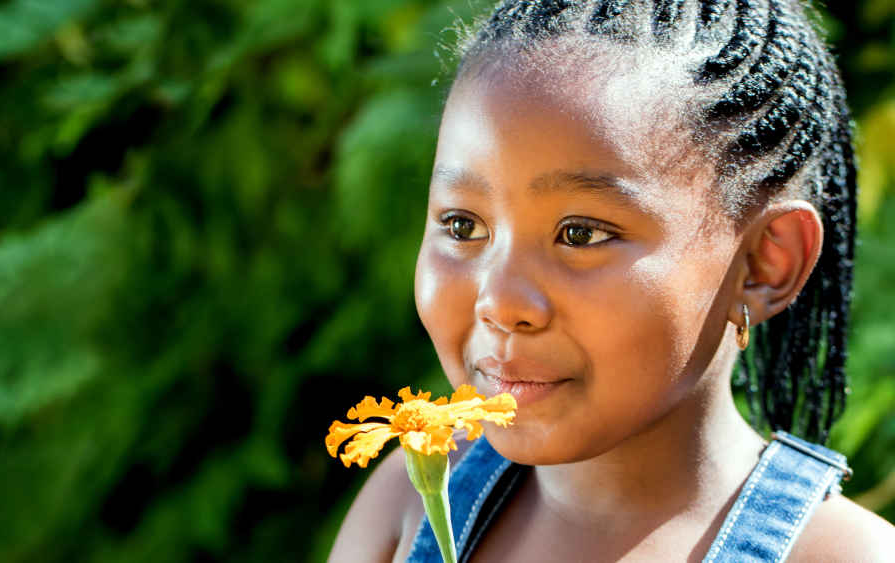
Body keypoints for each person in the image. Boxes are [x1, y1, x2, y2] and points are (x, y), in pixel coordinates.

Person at [329, 1, 895, 561]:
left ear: (764, 263)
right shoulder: (414, 501)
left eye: (579, 235)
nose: (499, 302)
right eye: (462, 225)